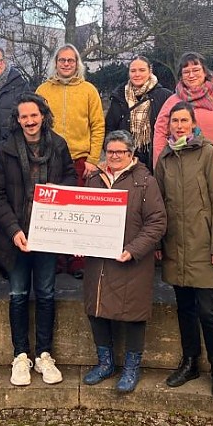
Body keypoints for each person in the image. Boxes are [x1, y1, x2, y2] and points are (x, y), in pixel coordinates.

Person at [0, 92, 78, 386]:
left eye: (34, 115)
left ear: (43, 116)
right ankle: (20, 355)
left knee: (47, 293)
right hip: (17, 234)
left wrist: (56, 191)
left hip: (48, 233)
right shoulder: (4, 150)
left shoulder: (58, 145)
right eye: (23, 116)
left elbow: (71, 179)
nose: (29, 121)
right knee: (18, 294)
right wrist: (14, 230)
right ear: (17, 120)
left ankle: (44, 354)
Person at [153, 52, 213, 307]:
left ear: (204, 70)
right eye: (186, 70)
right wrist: (161, 165)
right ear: (180, 75)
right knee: (190, 230)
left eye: (195, 68)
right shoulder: (173, 100)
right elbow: (160, 131)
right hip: (185, 179)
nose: (191, 73)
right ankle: (189, 278)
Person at [155, 102, 213, 397]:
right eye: (175, 121)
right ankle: (190, 363)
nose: (179, 126)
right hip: (175, 246)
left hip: (203, 245)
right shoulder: (165, 158)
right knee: (185, 309)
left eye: (184, 120)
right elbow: (159, 206)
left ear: (193, 123)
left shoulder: (208, 153)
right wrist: (159, 243)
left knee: (207, 312)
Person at [81, 130, 166, 393]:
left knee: (133, 314)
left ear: (131, 154)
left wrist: (133, 249)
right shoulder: (94, 179)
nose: (115, 156)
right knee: (96, 308)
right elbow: (82, 215)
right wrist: (77, 242)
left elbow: (157, 222)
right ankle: (105, 363)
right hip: (99, 259)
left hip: (132, 259)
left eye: (120, 152)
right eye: (110, 151)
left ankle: (131, 367)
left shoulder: (145, 181)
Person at [36, 44, 104, 278]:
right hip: (49, 157)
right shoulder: (43, 90)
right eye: (62, 60)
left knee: (78, 210)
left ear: (77, 64)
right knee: (53, 209)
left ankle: (78, 261)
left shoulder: (88, 90)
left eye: (71, 60)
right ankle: (54, 260)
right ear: (55, 63)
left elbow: (98, 125)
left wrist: (93, 159)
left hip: (80, 159)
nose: (66, 64)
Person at [104, 55, 172, 172]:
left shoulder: (165, 96)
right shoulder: (119, 96)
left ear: (150, 71)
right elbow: (110, 128)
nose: (137, 74)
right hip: (126, 160)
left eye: (142, 70)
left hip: (156, 160)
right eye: (133, 71)